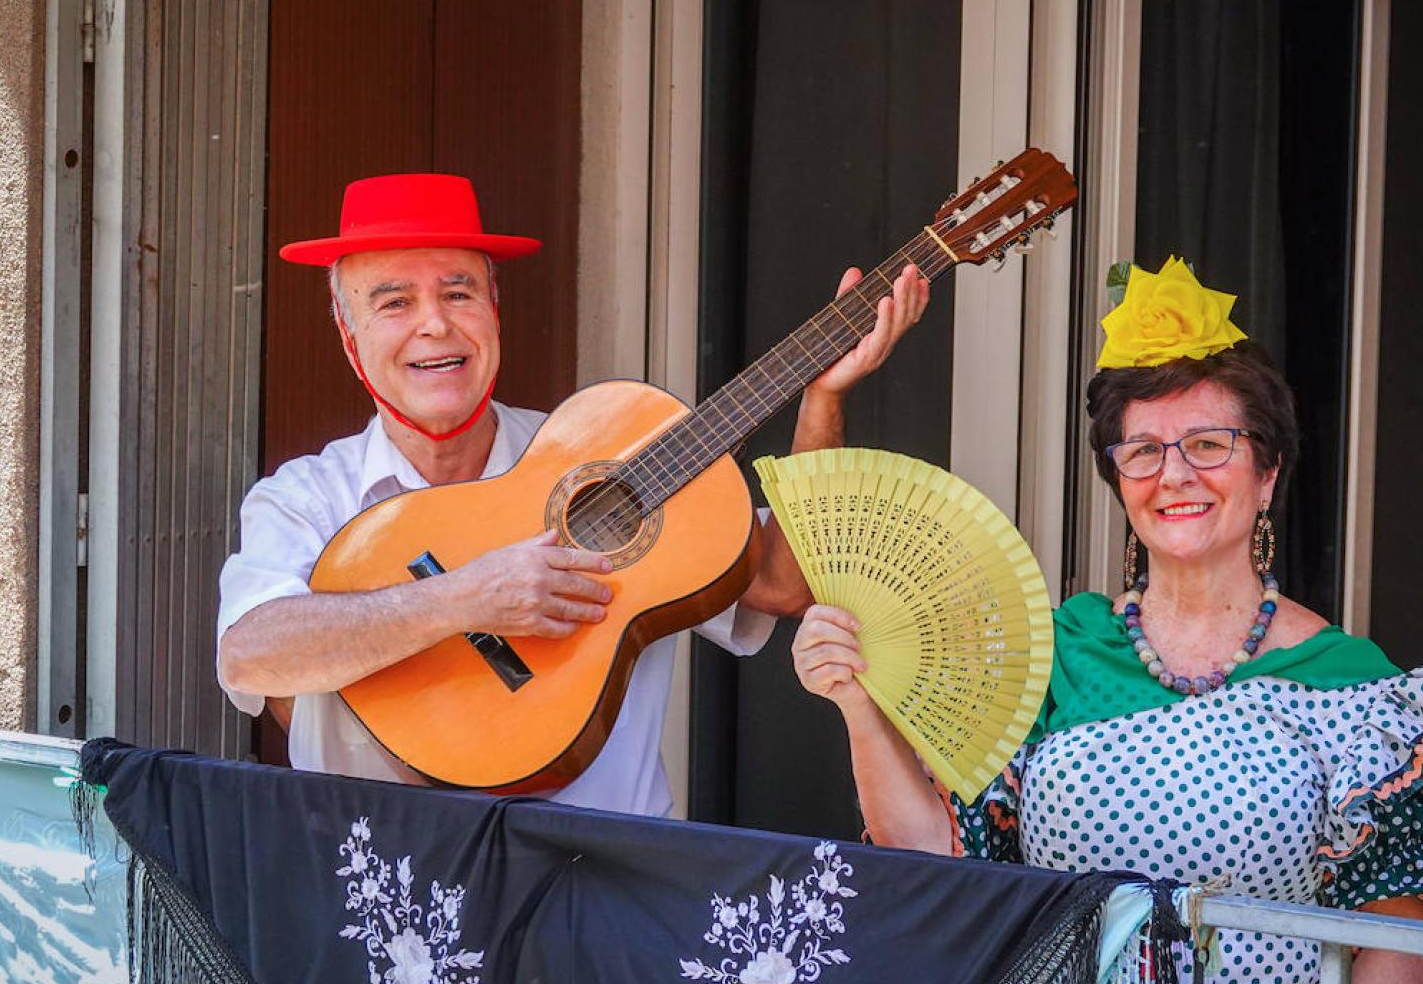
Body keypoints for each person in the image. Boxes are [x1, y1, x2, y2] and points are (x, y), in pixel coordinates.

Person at [792, 256, 1423, 984]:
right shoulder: (1056, 654)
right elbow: (930, 852)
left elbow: (1400, 939)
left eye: (1208, 444)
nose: (1174, 474)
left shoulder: (1352, 683)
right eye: (1143, 451)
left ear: (1267, 473)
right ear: (1119, 479)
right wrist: (857, 703)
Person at [217, 172, 927, 815]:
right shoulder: (308, 496)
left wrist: (821, 401)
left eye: (459, 293)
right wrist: (463, 597)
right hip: (387, 888)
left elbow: (783, 582)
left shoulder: (600, 453)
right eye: (394, 302)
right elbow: (251, 654)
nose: (435, 323)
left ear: (494, 310)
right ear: (350, 339)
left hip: (608, 879)